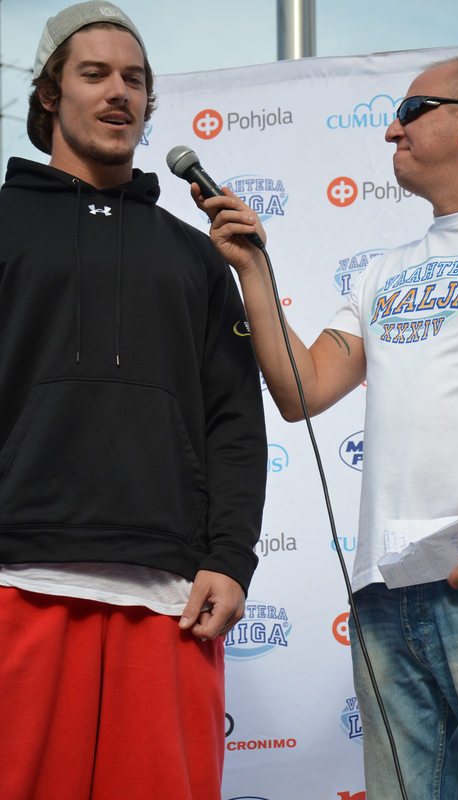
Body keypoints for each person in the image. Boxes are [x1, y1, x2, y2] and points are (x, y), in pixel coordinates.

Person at [196, 56, 458, 800]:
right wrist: (252, 270)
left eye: (410, 112)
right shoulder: (383, 271)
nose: (390, 130)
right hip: (385, 597)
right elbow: (303, 389)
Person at [0, 3, 267, 799]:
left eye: (135, 79)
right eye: (95, 74)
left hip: (169, 599)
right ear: (50, 94)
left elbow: (234, 419)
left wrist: (231, 557)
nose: (120, 92)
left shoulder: (198, 254)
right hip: (14, 579)